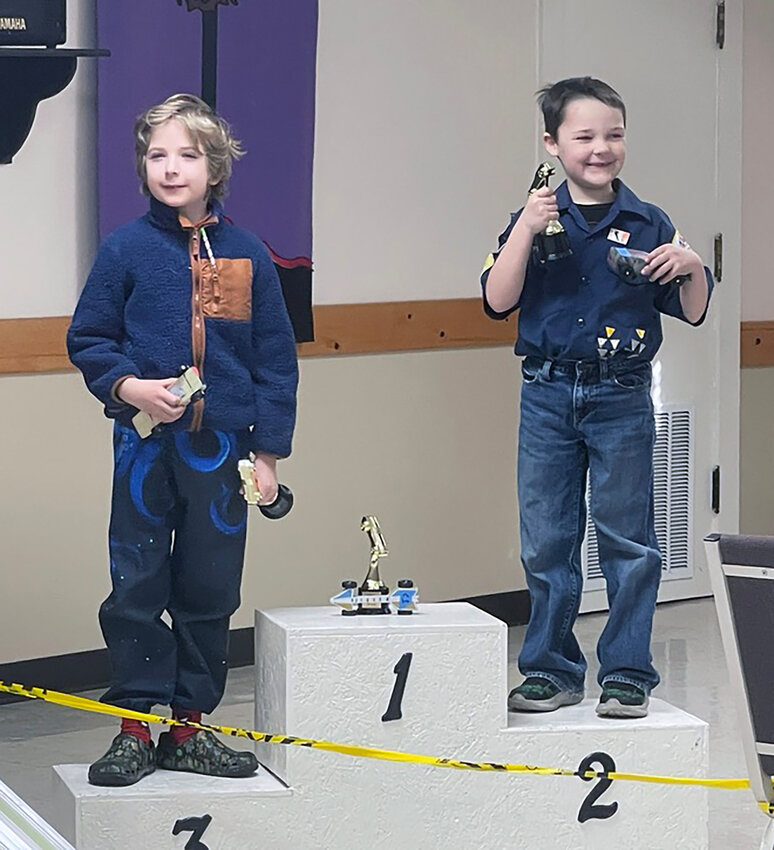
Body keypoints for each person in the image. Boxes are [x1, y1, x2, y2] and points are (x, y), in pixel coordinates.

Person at [67, 93, 298, 784]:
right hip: (144, 448)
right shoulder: (125, 248)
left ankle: (190, 728)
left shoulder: (246, 253)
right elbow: (89, 337)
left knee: (210, 587)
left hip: (222, 452)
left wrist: (267, 454)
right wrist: (129, 388)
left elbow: (274, 360)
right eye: (157, 155)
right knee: (135, 583)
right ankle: (134, 727)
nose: (171, 168)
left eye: (188, 155)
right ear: (143, 166)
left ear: (215, 168)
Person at [480, 77, 712, 719]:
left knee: (628, 540)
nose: (601, 148)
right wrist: (527, 227)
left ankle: (628, 672)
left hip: (622, 396)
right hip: (547, 393)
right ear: (552, 144)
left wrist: (693, 266)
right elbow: (497, 300)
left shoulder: (648, 221)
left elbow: (693, 311)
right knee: (547, 540)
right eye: (584, 136)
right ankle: (551, 670)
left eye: (614, 135)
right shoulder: (533, 217)